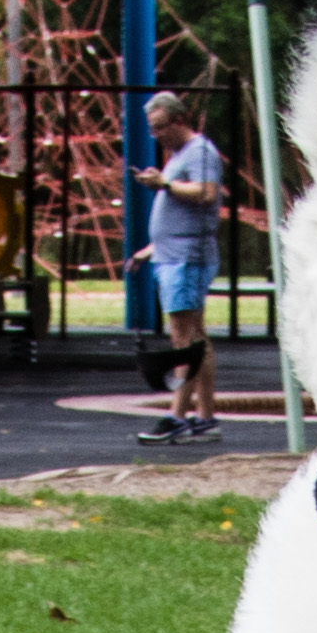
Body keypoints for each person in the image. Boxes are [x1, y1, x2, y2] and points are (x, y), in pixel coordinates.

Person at [127, 88, 224, 443]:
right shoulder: (181, 155)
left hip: (187, 258)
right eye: (152, 129)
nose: (156, 135)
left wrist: (164, 184)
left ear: (179, 119)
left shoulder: (200, 152)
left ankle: (177, 416)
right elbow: (181, 213)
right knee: (195, 336)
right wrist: (150, 250)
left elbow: (206, 193)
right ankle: (205, 417)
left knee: (184, 339)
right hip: (172, 255)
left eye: (160, 127)